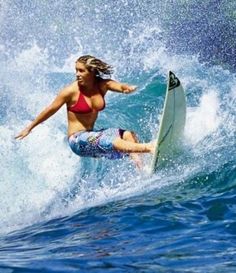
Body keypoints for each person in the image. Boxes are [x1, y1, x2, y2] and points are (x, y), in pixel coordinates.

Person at [15, 55, 154, 168]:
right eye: (76, 70)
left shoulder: (102, 85)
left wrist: (126, 88)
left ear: (92, 72)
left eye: (81, 71)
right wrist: (29, 128)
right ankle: (149, 148)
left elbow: (116, 85)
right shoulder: (70, 91)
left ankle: (141, 167)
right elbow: (50, 109)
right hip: (77, 141)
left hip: (91, 135)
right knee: (113, 140)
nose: (77, 74)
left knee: (129, 135)